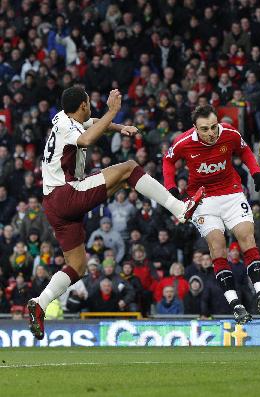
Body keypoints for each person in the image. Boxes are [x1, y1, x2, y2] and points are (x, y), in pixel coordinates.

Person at [28, 87, 205, 340]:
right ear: (82, 105)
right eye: (89, 102)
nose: (91, 106)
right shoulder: (70, 128)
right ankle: (180, 208)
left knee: (77, 266)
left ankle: (40, 303)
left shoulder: (61, 118)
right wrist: (112, 111)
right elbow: (87, 139)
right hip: (67, 193)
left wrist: (119, 127)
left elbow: (91, 124)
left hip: (53, 203)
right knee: (130, 168)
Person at [162, 105, 260, 324]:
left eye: (214, 127)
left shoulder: (229, 133)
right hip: (203, 200)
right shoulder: (184, 142)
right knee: (217, 246)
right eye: (205, 129)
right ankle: (236, 305)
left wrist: (256, 171)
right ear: (195, 129)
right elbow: (168, 160)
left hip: (231, 193)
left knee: (247, 238)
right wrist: (171, 186)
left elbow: (245, 150)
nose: (211, 133)